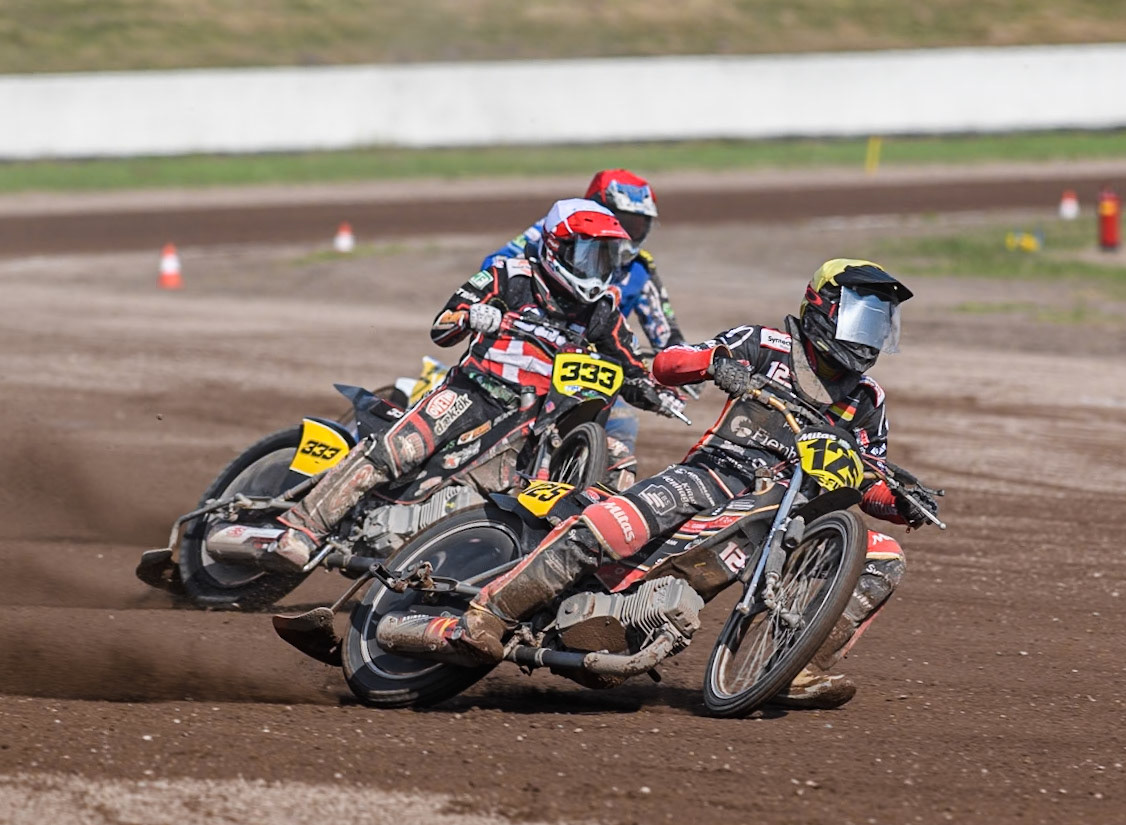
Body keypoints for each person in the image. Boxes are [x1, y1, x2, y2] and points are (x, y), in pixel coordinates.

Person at [388, 258, 939, 710]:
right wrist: (715, 363)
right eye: (861, 318)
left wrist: (903, 502)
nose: (868, 337)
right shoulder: (765, 344)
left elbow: (866, 478)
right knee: (617, 525)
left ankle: (795, 667)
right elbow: (668, 365)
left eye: (878, 323)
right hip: (712, 475)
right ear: (824, 308)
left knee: (882, 556)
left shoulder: (867, 401)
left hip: (787, 511)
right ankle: (489, 614)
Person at [268, 198, 683, 570]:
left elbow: (627, 360)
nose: (599, 268)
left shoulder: (604, 310)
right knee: (400, 449)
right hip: (475, 393)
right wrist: (472, 316)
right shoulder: (509, 276)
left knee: (618, 458)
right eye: (590, 255)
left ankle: (602, 562)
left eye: (607, 257)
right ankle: (301, 528)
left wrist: (658, 387)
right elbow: (443, 324)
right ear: (559, 247)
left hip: (544, 417)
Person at [483, 170, 689, 487]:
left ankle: (593, 509)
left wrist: (680, 372)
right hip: (522, 351)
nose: (625, 232)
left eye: (637, 225)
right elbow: (494, 270)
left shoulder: (639, 272)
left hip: (591, 368)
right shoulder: (552, 234)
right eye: (621, 219)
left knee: (622, 426)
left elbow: (667, 334)